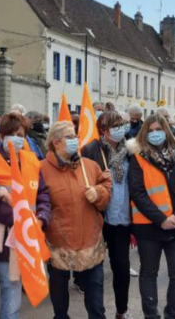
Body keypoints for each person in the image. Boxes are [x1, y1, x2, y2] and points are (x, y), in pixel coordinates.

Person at [0, 112, 51, 319]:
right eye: (13, 134)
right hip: (4, 236)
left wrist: (42, 216)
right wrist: (19, 220)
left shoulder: (32, 160)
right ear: (1, 136)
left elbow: (43, 193)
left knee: (20, 283)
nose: (18, 138)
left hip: (30, 233)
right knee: (11, 285)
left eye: (21, 134)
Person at [42, 121, 112, 319]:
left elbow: (106, 188)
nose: (76, 140)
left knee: (96, 302)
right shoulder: (42, 169)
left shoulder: (89, 166)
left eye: (76, 136)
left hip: (90, 242)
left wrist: (98, 193)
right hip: (59, 244)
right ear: (56, 143)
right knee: (59, 296)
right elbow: (38, 202)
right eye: (70, 137)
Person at [128, 114, 175, 319]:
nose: (155, 134)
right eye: (150, 130)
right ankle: (151, 315)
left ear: (166, 130)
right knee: (149, 274)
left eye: (159, 129)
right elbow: (137, 192)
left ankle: (172, 315)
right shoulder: (138, 157)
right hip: (148, 227)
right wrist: (161, 219)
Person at [81, 112, 132, 319]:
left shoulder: (131, 150)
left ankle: (122, 309)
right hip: (98, 217)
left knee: (121, 267)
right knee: (95, 271)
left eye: (122, 125)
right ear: (103, 129)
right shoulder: (91, 150)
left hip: (122, 219)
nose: (120, 129)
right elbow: (82, 179)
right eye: (115, 126)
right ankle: (97, 313)